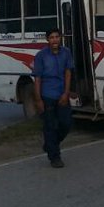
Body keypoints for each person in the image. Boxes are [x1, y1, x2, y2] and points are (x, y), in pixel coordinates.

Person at [32, 27, 74, 168]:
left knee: (66, 123)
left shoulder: (66, 53)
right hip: (47, 96)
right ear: (47, 40)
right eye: (52, 37)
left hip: (62, 94)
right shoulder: (41, 56)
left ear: (60, 38)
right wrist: (38, 100)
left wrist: (66, 93)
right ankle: (54, 157)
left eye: (57, 37)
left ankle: (50, 144)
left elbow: (68, 73)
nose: (55, 40)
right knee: (50, 126)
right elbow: (37, 78)